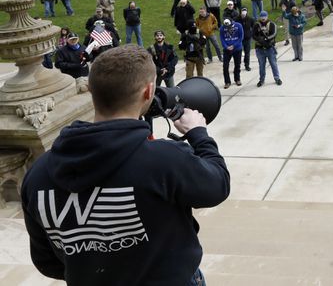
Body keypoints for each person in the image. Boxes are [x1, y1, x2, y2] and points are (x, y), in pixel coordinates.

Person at [21, 45, 230, 285]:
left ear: (91, 90)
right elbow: (217, 185)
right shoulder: (165, 160)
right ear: (148, 91)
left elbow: (46, 261)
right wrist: (199, 135)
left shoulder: (38, 174)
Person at [252, 11, 281, 87]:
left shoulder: (272, 24)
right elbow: (253, 35)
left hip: (270, 48)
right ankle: (261, 80)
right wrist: (259, 40)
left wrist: (266, 39)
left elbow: (274, 34)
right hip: (260, 49)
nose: (263, 18)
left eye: (264, 16)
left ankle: (277, 78)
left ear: (267, 16)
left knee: (273, 64)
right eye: (262, 16)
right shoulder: (256, 25)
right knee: (261, 65)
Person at [220, 18, 243, 89]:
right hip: (227, 50)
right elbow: (222, 38)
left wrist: (234, 45)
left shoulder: (238, 26)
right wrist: (226, 47)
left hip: (237, 49)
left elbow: (241, 37)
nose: (226, 27)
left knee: (237, 65)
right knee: (225, 66)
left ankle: (237, 79)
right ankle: (227, 82)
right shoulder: (222, 28)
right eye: (225, 26)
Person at [239, 7, 255, 72]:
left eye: (245, 11)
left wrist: (251, 34)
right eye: (242, 11)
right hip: (239, 39)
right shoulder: (237, 19)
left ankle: (247, 65)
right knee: (238, 53)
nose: (243, 12)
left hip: (247, 38)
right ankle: (238, 66)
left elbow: (254, 27)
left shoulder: (250, 19)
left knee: (247, 53)